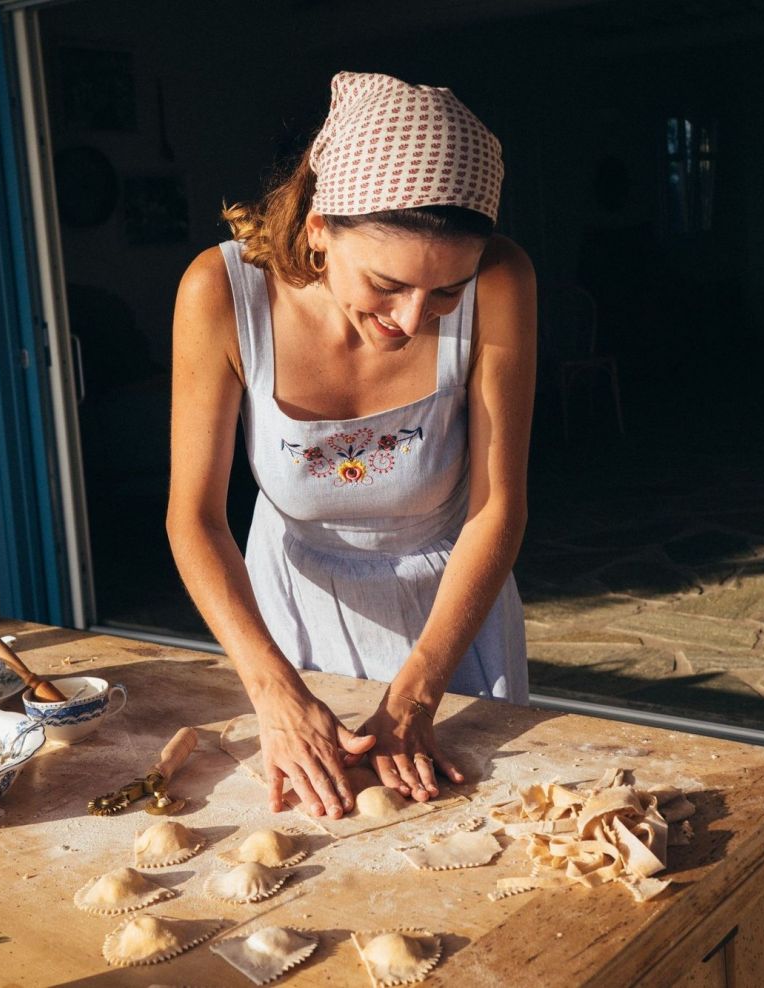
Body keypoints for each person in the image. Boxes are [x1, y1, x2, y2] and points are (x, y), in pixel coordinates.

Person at [167, 71, 536, 822]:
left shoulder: (501, 282)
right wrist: (273, 690)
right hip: (291, 617)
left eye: (444, 294)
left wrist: (417, 694)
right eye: (386, 283)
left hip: (449, 619)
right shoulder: (221, 293)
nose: (410, 317)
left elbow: (498, 506)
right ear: (317, 231)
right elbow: (194, 519)